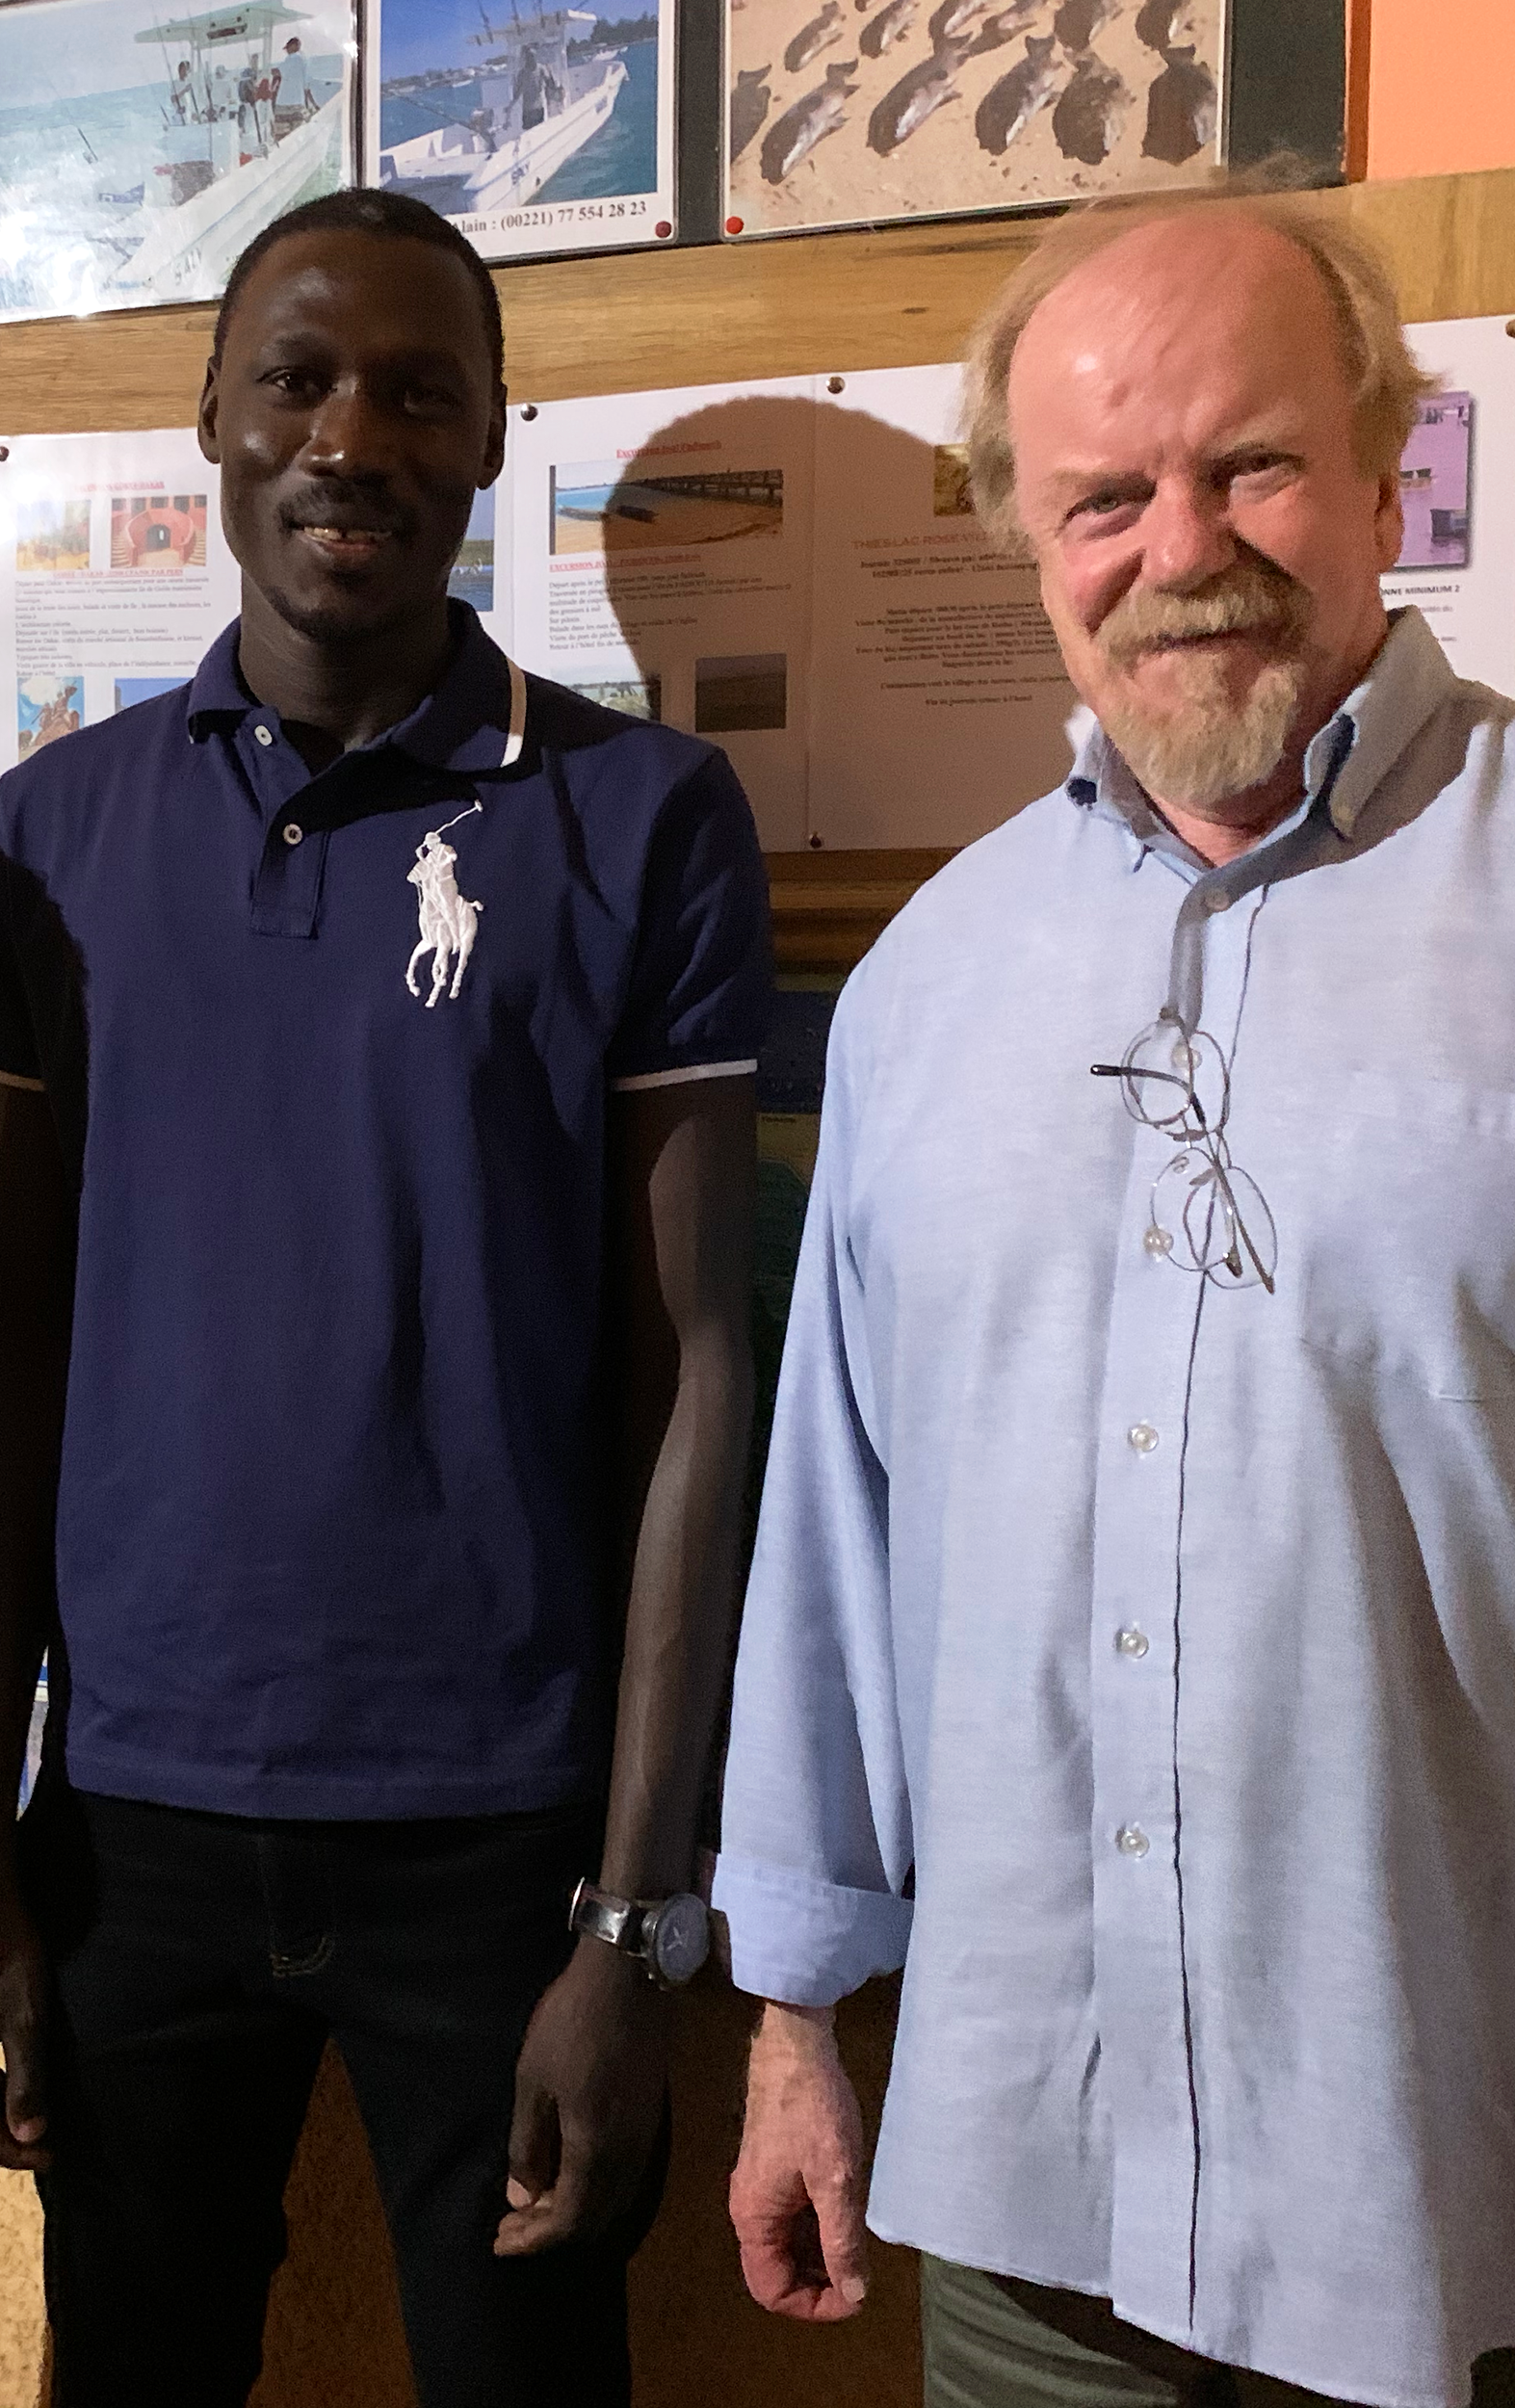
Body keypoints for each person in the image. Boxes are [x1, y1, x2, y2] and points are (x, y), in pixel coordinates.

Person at [0, 188, 772, 2408]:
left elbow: (704, 1376)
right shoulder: (53, 831)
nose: (353, 432)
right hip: (129, 1837)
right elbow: (11, 1355)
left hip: (501, 1847)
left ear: (496, 442)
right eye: (298, 375)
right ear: (211, 418)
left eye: (421, 388)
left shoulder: (647, 817)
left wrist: (633, 1912)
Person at [714, 188, 1515, 2408]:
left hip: (1451, 2195)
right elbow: (834, 1551)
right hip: (1032, 2205)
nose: (1182, 545)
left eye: (1248, 463)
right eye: (1101, 492)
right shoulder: (925, 989)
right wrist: (795, 2025)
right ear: (1025, 536)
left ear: (1385, 468)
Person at [272, 35, 311, 139]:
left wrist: (264, 72)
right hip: (299, 103)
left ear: (294, 46)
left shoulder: (292, 58)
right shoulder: (305, 61)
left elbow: (277, 72)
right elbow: (306, 86)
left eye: (288, 48)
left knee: (282, 137)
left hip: (285, 104)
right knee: (296, 137)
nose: (287, 51)